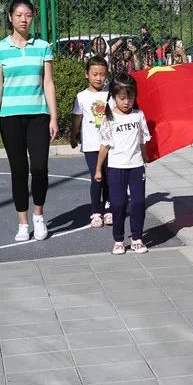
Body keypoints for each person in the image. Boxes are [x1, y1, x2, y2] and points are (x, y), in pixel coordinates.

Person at [0, 0, 59, 242]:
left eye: (28, 14)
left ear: (32, 18)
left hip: (38, 116)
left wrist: (53, 115)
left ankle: (39, 216)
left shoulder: (43, 46)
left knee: (39, 168)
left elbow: (48, 82)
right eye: (18, 14)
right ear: (10, 17)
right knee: (19, 170)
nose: (23, 19)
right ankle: (23, 222)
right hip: (10, 117)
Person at [94, 73, 152, 255]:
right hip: (116, 167)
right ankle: (118, 240)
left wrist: (145, 157)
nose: (127, 102)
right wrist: (98, 169)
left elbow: (143, 139)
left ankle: (137, 238)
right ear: (113, 97)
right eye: (122, 98)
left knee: (138, 202)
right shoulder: (110, 118)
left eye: (131, 97)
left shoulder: (138, 115)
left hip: (136, 166)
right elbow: (104, 145)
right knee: (118, 204)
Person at [71, 55, 112, 228]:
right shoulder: (82, 97)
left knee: (110, 178)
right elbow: (77, 117)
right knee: (97, 178)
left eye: (102, 74)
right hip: (91, 146)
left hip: (110, 145)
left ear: (107, 74)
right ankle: (96, 212)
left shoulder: (111, 93)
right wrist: (73, 135)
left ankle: (109, 209)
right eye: (95, 74)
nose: (98, 78)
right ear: (87, 74)